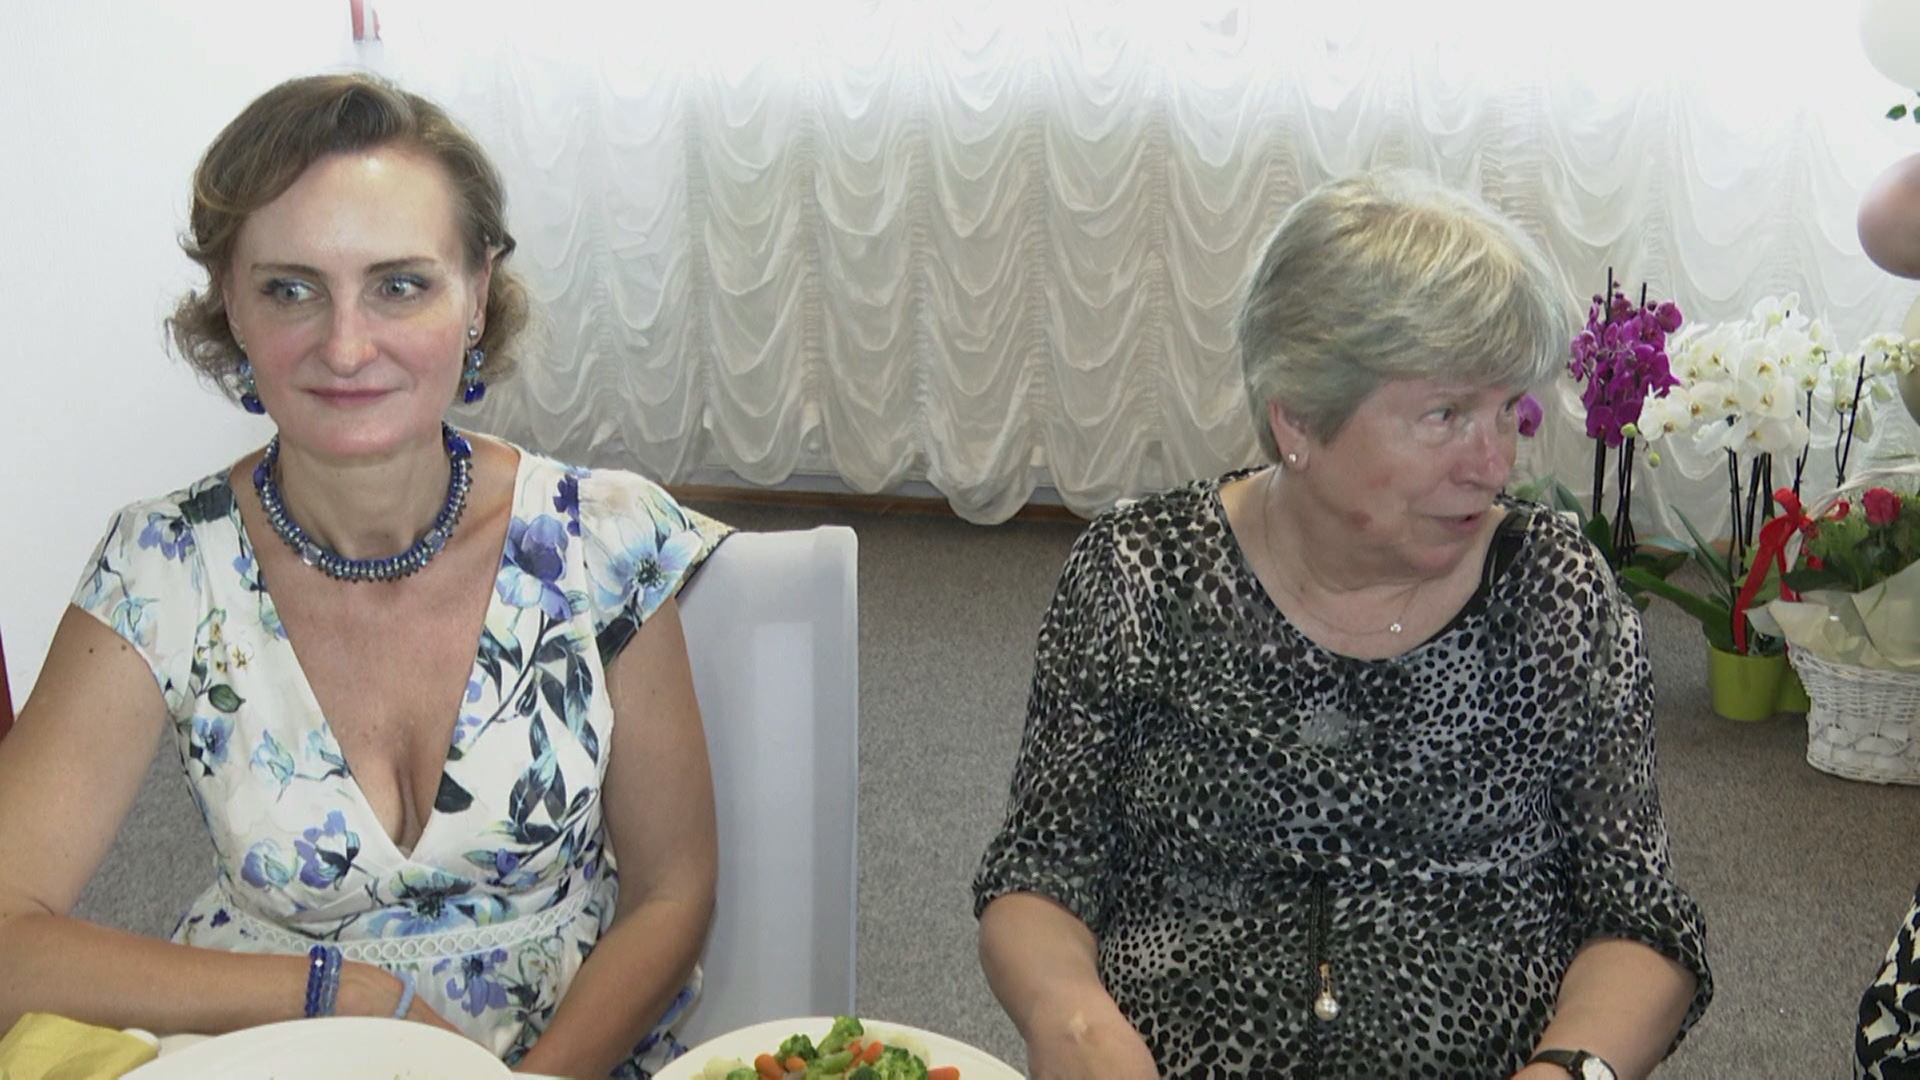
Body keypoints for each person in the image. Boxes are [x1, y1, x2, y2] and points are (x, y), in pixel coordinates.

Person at [0, 73, 729, 1079]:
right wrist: (334, 991)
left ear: (476, 293)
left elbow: (673, 892)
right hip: (276, 1054)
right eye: (290, 289)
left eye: (400, 284)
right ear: (232, 305)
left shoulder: (603, 538)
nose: (345, 346)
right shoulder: (161, 566)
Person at [973, 169, 1712, 1079]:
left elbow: (1638, 914)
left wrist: (1570, 1071)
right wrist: (1074, 1022)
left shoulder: (1556, 592)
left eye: (1505, 413)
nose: (1492, 466)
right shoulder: (1139, 574)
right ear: (1297, 420)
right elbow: (1040, 870)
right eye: (1445, 415)